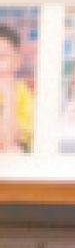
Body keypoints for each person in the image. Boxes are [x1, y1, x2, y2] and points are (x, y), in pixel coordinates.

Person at [0, 23, 35, 153]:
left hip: (12, 154)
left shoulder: (21, 92)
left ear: (16, 61)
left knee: (13, 151)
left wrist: (9, 96)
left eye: (1, 57)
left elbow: (9, 141)